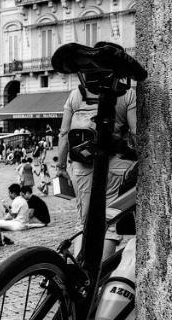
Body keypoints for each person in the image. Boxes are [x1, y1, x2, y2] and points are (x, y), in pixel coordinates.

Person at [56, 68, 138, 227]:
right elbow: (135, 132)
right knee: (110, 220)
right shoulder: (127, 94)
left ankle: (84, 250)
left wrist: (60, 166)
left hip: (82, 163)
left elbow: (64, 133)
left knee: (86, 221)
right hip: (115, 163)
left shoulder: (76, 94)